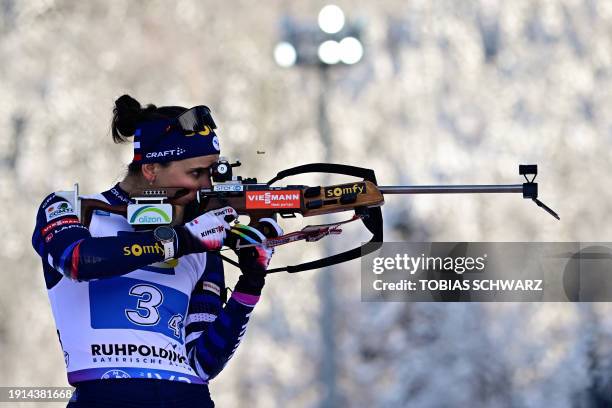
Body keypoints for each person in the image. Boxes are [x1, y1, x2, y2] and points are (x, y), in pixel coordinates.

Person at [31, 95, 282, 407]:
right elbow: (78, 260)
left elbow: (204, 362)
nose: (207, 185)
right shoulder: (69, 207)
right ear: (150, 169)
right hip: (104, 396)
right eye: (195, 173)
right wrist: (181, 240)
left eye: (213, 172)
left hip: (188, 397)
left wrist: (252, 281)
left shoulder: (199, 237)